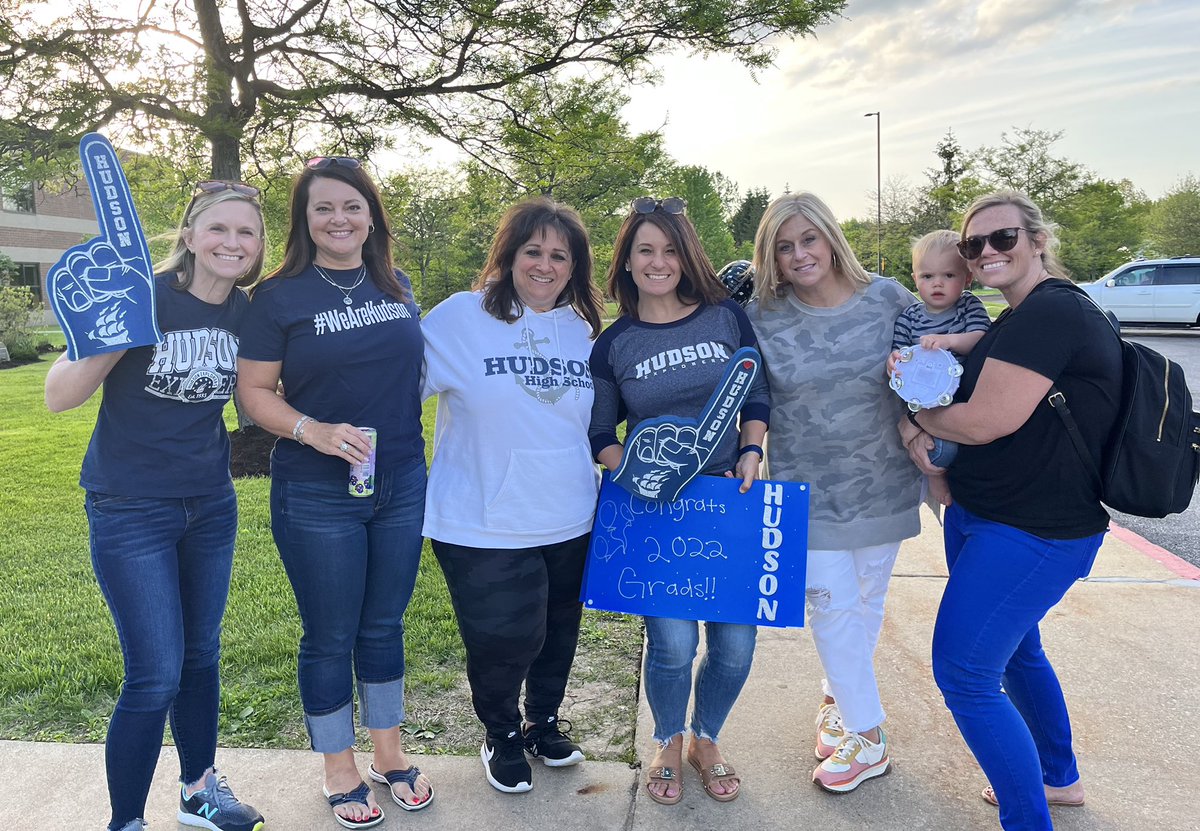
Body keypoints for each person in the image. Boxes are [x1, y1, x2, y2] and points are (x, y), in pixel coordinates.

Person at [45, 181, 267, 831]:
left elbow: (267, 387)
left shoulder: (249, 313)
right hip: (129, 507)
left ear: (257, 248)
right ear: (191, 235)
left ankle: (199, 791)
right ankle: (125, 821)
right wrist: (115, 333)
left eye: (246, 233)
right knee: (154, 672)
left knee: (200, 655)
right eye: (219, 229)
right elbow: (60, 393)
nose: (232, 242)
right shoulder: (141, 294)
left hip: (210, 504)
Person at [899, 191, 1119, 830]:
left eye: (1003, 239)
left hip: (1034, 531)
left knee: (964, 672)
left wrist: (915, 417)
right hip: (988, 516)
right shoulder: (1014, 317)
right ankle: (1057, 777)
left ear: (1038, 239)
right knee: (1018, 652)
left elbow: (988, 420)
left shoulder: (1050, 314)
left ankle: (1028, 820)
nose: (988, 253)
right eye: (975, 245)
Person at [237, 157, 430, 829]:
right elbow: (253, 392)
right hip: (317, 491)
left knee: (384, 624)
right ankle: (338, 766)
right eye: (324, 208)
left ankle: (390, 752)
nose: (339, 219)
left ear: (371, 214)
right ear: (305, 220)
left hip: (401, 479)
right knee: (330, 633)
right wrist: (310, 429)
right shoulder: (278, 296)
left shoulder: (396, 283)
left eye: (352, 206)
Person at [588, 196, 770, 805]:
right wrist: (637, 474)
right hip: (658, 509)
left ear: (687, 256)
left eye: (670, 249)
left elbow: (758, 393)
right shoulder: (615, 343)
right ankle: (668, 738)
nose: (658, 261)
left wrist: (751, 451)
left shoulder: (724, 318)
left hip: (730, 499)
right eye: (646, 250)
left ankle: (706, 737)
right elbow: (600, 436)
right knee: (671, 643)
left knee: (735, 645)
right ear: (629, 260)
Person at [421, 197, 605, 794]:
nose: (546, 266)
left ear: (574, 267)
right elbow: (395, 389)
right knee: (505, 639)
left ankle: (543, 723)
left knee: (557, 632)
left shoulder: (581, 330)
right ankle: (499, 732)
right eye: (534, 251)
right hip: (482, 521)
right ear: (509, 255)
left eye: (560, 256)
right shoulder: (459, 317)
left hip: (571, 514)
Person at [746, 192, 921, 794]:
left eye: (808, 240)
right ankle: (868, 737)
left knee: (866, 602)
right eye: (784, 246)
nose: (798, 255)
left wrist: (930, 434)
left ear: (831, 238)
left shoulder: (889, 298)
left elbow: (927, 369)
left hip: (885, 482)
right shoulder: (761, 313)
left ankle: (838, 702)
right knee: (830, 601)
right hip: (803, 489)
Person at [889, 229, 991, 505]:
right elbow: (899, 353)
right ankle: (934, 475)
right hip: (923, 396)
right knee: (936, 447)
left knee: (951, 444)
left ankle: (941, 474)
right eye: (927, 276)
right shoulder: (909, 316)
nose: (937, 283)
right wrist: (894, 364)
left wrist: (949, 341)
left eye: (949, 275)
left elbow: (980, 339)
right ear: (915, 279)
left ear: (967, 278)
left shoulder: (969, 306)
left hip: (960, 395)